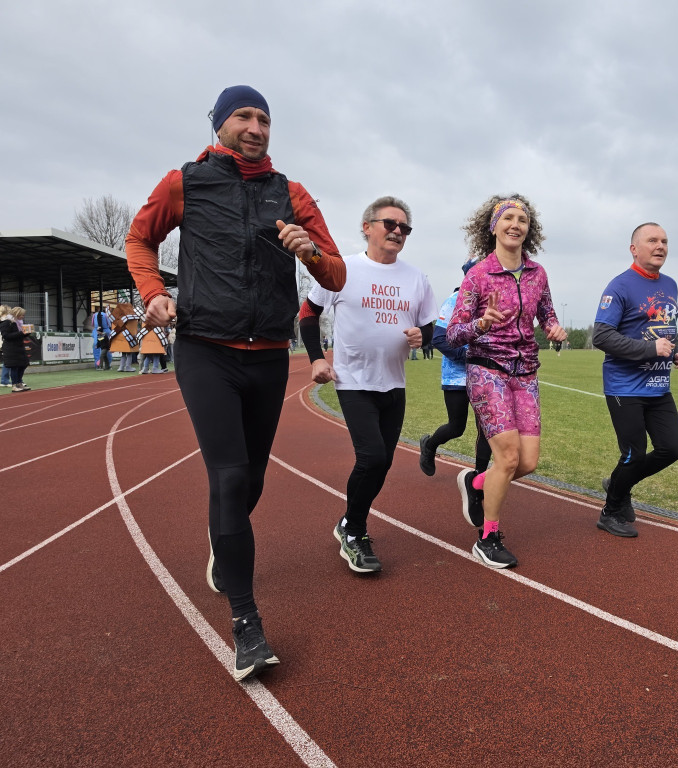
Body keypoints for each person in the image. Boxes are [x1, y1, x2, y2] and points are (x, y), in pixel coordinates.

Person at [125, 85, 346, 681]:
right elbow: (139, 239)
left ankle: (223, 535)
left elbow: (337, 271)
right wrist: (153, 294)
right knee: (226, 476)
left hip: (270, 354)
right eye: (243, 116)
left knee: (251, 478)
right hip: (206, 350)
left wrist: (310, 254)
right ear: (220, 123)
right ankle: (247, 624)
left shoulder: (290, 193)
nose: (255, 127)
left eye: (264, 119)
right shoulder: (186, 182)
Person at [299, 196, 436, 574]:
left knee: (384, 462)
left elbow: (429, 324)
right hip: (353, 380)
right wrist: (316, 359)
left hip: (394, 381)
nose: (397, 232)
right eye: (390, 224)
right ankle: (354, 531)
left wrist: (421, 335)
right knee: (372, 457)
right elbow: (309, 313)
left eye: (404, 228)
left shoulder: (416, 278)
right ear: (367, 227)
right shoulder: (342, 269)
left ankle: (347, 522)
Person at [446, 194, 566, 568]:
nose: (516, 224)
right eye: (508, 217)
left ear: (530, 230)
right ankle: (488, 537)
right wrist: (481, 324)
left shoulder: (538, 274)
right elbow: (452, 335)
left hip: (526, 372)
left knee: (526, 462)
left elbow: (547, 315)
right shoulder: (478, 275)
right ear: (493, 226)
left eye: (523, 219)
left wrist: (555, 329)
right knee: (508, 456)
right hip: (487, 369)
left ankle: (477, 482)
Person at [592, 222, 678, 538]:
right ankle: (610, 510)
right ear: (634, 248)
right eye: (652, 240)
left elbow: (666, 328)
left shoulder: (671, 284)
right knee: (634, 452)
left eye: (664, 241)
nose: (660, 246)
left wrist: (677, 352)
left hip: (659, 387)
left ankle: (620, 483)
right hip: (624, 386)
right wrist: (650, 349)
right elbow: (602, 336)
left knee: (671, 449)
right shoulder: (620, 286)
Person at [419, 259, 493, 511]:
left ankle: (478, 482)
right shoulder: (453, 302)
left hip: (484, 376)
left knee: (486, 429)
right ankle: (429, 444)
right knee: (457, 427)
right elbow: (439, 339)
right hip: (456, 378)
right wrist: (467, 356)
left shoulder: (489, 303)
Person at [1, 307, 33, 392]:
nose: (23, 316)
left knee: (24, 364)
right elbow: (6, 336)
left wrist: (27, 333)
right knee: (15, 366)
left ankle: (19, 383)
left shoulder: (19, 323)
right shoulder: (7, 322)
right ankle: (15, 385)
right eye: (22, 315)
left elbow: (19, 335)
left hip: (19, 346)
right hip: (10, 348)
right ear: (17, 314)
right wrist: (21, 333)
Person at [92, 305, 112, 370]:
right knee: (105, 353)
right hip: (105, 341)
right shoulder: (106, 315)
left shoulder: (94, 315)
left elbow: (92, 324)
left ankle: (98, 364)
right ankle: (107, 364)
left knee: (98, 350)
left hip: (100, 337)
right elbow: (109, 324)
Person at [0, 305, 11, 388]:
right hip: (3, 343)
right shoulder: (5, 321)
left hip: (2, 343)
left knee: (7, 362)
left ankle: (5, 380)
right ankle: (4, 380)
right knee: (7, 362)